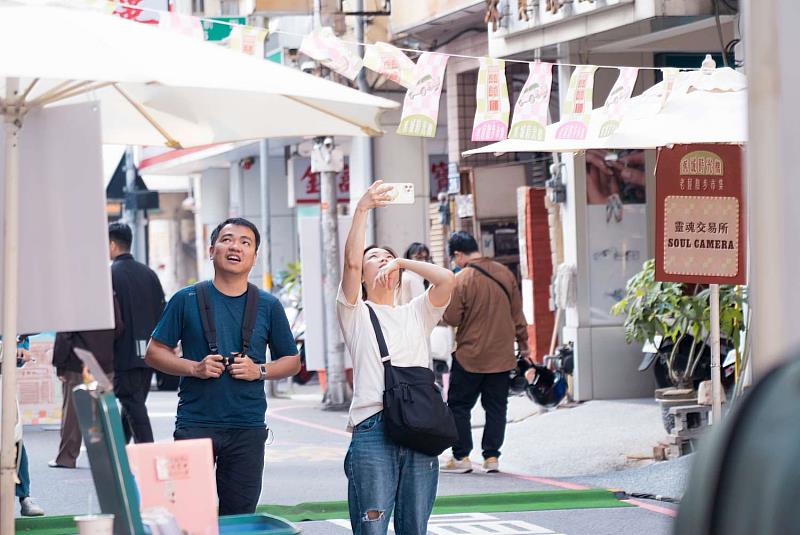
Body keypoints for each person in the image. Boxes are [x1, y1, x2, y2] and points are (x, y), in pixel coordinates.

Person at [145, 217, 300, 516]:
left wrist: (260, 371)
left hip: (248, 428)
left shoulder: (269, 305)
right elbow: (154, 352)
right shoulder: (185, 298)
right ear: (211, 249)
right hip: (195, 424)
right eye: (228, 239)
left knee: (239, 518)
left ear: (254, 257)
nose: (236, 247)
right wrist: (195, 368)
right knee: (189, 517)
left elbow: (292, 360)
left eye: (246, 242)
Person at [337, 181, 455, 535]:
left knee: (414, 526)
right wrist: (362, 209)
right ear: (363, 276)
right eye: (375, 258)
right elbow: (351, 263)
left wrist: (402, 260)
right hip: (373, 426)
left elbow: (447, 280)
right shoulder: (355, 311)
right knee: (372, 527)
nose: (383, 261)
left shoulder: (416, 312)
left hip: (420, 425)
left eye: (388, 258)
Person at [441, 231, 530, 474]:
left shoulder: (462, 279)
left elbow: (451, 317)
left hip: (469, 356)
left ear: (458, 254)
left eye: (454, 258)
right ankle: (492, 458)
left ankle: (461, 457)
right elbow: (517, 314)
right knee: (497, 407)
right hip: (501, 357)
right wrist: (524, 344)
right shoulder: (505, 273)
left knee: (459, 406)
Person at [109, 222, 165, 444]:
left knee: (133, 404)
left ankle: (148, 452)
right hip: (150, 353)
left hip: (124, 353)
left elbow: (111, 321)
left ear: (113, 245)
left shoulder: (111, 275)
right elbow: (162, 311)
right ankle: (119, 452)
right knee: (134, 402)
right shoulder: (149, 274)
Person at [49, 298, 122, 469]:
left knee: (73, 414)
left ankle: (67, 457)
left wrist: (60, 364)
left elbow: (65, 334)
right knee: (101, 412)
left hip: (78, 363)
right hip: (105, 362)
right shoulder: (109, 295)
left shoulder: (75, 297)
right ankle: (102, 458)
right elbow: (119, 327)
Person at [2, 337, 45, 516]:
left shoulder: (12, 314)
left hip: (3, 384)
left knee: (14, 439)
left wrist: (21, 350)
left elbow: (19, 339)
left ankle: (24, 496)